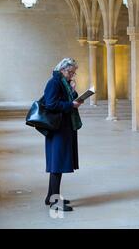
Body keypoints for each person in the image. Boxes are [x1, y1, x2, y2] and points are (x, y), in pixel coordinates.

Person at [43, 58, 83, 211]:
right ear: (62, 69)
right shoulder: (54, 82)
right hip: (57, 129)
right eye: (70, 72)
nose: (72, 75)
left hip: (64, 128)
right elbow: (50, 104)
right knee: (57, 165)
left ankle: (50, 197)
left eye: (74, 72)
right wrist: (70, 105)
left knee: (57, 164)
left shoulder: (64, 83)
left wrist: (74, 93)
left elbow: (67, 99)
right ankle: (54, 202)